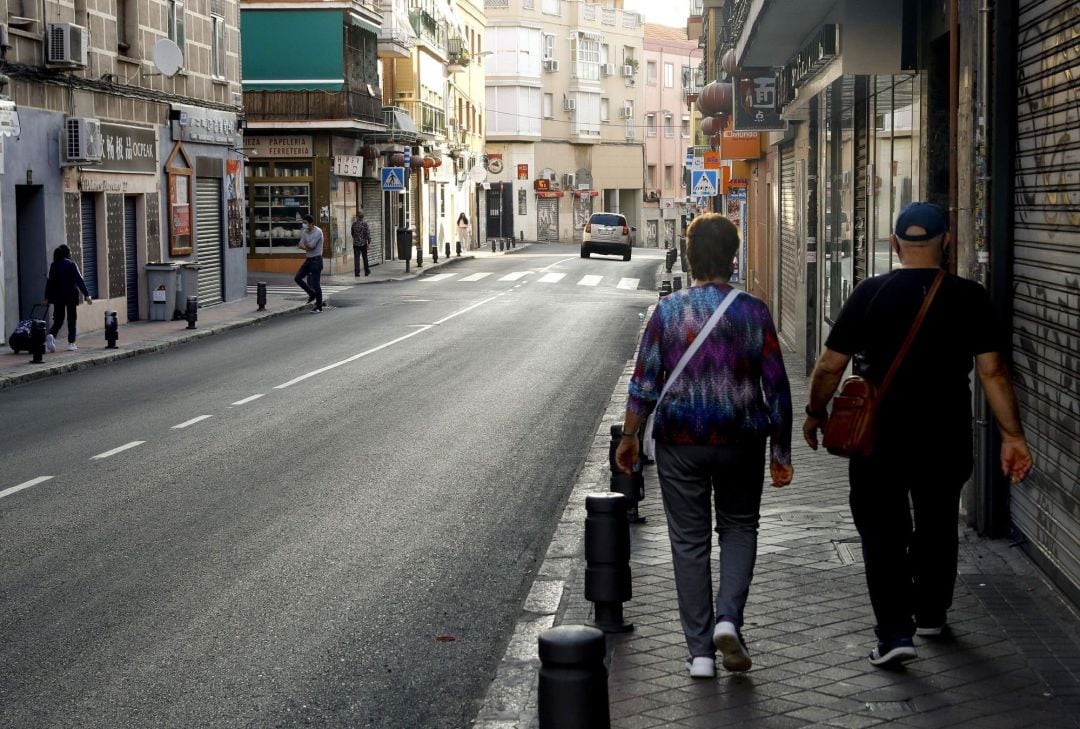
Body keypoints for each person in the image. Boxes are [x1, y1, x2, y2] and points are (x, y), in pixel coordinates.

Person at [802, 202, 1034, 667]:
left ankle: (894, 633)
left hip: (879, 436)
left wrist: (815, 412)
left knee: (883, 529)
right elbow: (992, 371)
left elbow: (831, 364)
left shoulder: (870, 292)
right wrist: (1012, 435)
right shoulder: (970, 297)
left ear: (895, 245)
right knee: (938, 520)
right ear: (945, 242)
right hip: (944, 431)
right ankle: (930, 613)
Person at [615, 213, 793, 679]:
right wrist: (782, 450)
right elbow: (776, 384)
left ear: (690, 257)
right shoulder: (754, 311)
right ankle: (729, 619)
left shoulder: (669, 311)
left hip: (680, 441)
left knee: (688, 542)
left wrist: (630, 436)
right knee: (739, 528)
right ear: (734, 257)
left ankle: (699, 654)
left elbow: (644, 383)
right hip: (741, 440)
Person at [43, 244, 91, 352]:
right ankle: (71, 343)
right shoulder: (71, 264)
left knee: (58, 319)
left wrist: (46, 297)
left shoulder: (54, 265)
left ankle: (51, 334)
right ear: (67, 253)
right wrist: (86, 295)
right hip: (71, 296)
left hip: (58, 297)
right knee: (71, 319)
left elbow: (49, 283)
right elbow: (79, 280)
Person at [295, 214, 324, 311]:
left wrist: (307, 246)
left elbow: (312, 246)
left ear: (312, 224)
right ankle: (311, 294)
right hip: (308, 260)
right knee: (298, 278)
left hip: (316, 260)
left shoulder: (318, 232)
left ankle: (319, 306)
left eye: (305, 223)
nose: (304, 225)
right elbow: (300, 245)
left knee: (316, 284)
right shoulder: (304, 232)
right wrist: (307, 246)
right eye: (303, 223)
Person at [351, 211, 371, 277]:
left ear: (357, 217)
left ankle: (357, 272)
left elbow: (352, 233)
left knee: (356, 258)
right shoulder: (365, 224)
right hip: (364, 244)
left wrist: (356, 238)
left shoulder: (354, 224)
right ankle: (366, 271)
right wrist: (369, 242)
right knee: (365, 257)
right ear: (363, 217)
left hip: (356, 244)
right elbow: (368, 234)